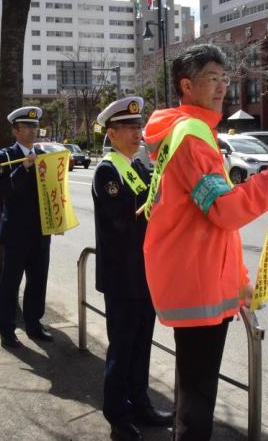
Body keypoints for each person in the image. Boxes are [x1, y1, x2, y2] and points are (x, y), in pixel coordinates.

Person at [142, 44, 268, 441]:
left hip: (195, 276)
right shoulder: (192, 137)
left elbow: (213, 222)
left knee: (193, 389)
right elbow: (225, 211)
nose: (221, 87)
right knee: (198, 399)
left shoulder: (185, 131)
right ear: (186, 85)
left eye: (224, 79)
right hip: (197, 283)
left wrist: (239, 284)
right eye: (211, 79)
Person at [92, 96, 173, 441]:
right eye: (129, 127)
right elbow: (120, 220)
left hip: (145, 271)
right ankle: (117, 414)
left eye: (138, 126)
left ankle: (141, 403)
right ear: (112, 133)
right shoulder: (107, 170)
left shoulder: (139, 167)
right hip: (121, 274)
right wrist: (152, 202)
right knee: (121, 346)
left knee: (141, 344)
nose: (137, 132)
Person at [0, 106, 52, 349]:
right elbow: (5, 190)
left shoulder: (44, 155)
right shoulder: (5, 156)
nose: (31, 131)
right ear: (15, 131)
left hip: (40, 231)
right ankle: (6, 329)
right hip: (16, 233)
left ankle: (34, 324)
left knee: (38, 280)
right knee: (10, 282)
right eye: (26, 127)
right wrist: (24, 167)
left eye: (34, 127)